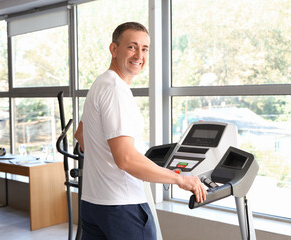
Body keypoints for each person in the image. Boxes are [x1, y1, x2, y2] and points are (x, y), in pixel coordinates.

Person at [74, 22, 206, 240]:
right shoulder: (116, 89)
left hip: (93, 204)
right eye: (132, 47)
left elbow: (81, 136)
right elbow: (125, 159)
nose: (139, 55)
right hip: (122, 208)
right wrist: (180, 179)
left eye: (145, 49)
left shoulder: (100, 83)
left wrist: (103, 158)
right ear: (114, 49)